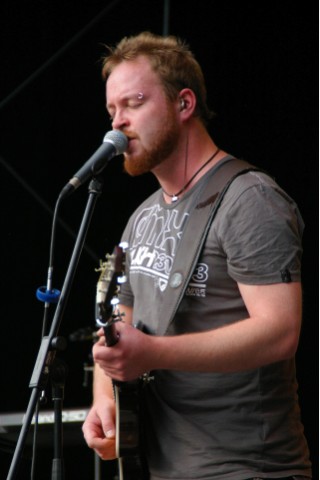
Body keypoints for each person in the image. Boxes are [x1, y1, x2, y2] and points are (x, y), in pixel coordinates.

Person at [82, 31, 312, 480]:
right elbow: (117, 325)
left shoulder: (250, 199)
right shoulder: (141, 217)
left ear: (184, 104)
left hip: (246, 468)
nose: (117, 123)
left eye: (134, 103)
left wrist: (154, 353)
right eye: (112, 110)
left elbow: (280, 331)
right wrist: (105, 399)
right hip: (161, 466)